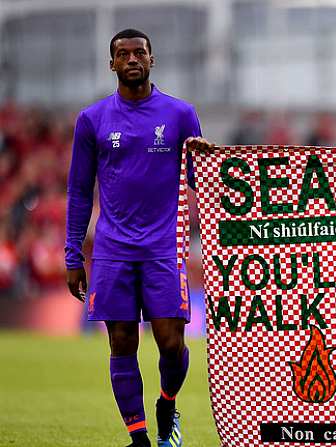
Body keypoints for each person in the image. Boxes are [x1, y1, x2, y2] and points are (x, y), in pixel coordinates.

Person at [65, 29, 210, 447]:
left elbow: (203, 180)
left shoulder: (181, 115)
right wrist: (73, 254)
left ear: (152, 59)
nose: (132, 58)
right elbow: (78, 190)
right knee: (122, 342)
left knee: (170, 343)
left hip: (165, 248)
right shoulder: (92, 120)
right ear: (112, 64)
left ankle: (167, 403)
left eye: (140, 52)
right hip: (112, 251)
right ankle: (140, 439)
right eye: (123, 53)